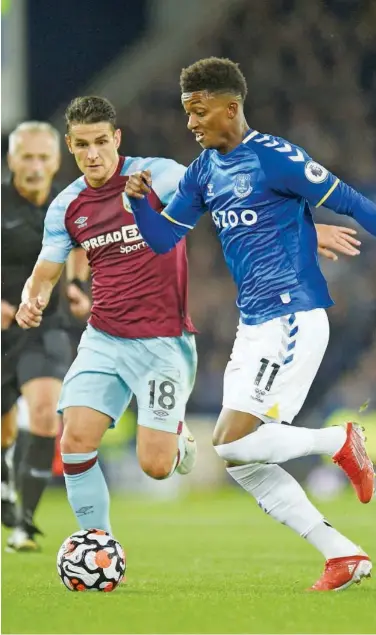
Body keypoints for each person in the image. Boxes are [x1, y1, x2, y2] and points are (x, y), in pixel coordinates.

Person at [13, 97, 351, 545]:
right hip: (104, 339)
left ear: (116, 139)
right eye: (81, 146)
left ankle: (176, 436)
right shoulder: (67, 205)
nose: (92, 154)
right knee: (75, 440)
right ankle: (98, 545)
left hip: (164, 345)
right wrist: (30, 300)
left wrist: (308, 230)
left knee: (156, 467)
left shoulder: (161, 175)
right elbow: (45, 271)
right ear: (70, 147)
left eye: (100, 142)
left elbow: (233, 197)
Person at [124, 57, 376, 592]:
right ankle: (342, 554)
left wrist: (313, 231)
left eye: (199, 111)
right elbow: (164, 238)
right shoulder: (202, 172)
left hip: (291, 315)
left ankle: (339, 439)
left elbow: (352, 204)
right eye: (186, 112)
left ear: (230, 108)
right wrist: (141, 203)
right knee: (239, 458)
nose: (190, 123)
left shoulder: (276, 158)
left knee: (235, 443)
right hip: (254, 323)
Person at [2, 121, 90, 551]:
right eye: (27, 157)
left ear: (57, 161)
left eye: (43, 157)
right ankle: (5, 475)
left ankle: (24, 523)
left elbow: (78, 247)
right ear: (11, 160)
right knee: (3, 433)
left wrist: (76, 287)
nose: (35, 166)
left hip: (44, 326)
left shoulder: (70, 203)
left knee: (43, 412)